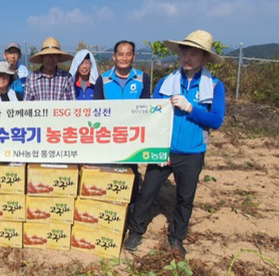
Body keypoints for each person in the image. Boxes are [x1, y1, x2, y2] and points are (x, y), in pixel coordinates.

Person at [123, 30, 226, 257]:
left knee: (185, 197)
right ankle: (136, 231)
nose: (187, 58)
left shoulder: (214, 86)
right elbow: (154, 116)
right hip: (164, 149)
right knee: (148, 191)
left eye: (194, 54)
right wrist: (160, 147)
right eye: (184, 52)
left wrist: (191, 108)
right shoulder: (166, 82)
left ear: (204, 57)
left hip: (192, 152)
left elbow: (216, 120)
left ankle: (177, 237)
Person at [94, 41, 151, 212]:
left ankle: (129, 210)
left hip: (131, 138)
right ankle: (107, 209)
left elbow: (146, 108)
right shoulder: (103, 80)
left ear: (133, 56)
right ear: (114, 56)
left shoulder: (142, 78)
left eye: (128, 54)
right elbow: (96, 110)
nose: (124, 58)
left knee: (130, 173)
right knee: (108, 172)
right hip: (109, 137)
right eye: (120, 54)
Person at [23, 37, 75, 101]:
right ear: (42, 57)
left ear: (58, 58)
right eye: (47, 55)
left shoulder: (67, 78)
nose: (50, 59)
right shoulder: (31, 79)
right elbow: (27, 106)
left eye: (54, 55)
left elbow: (72, 104)